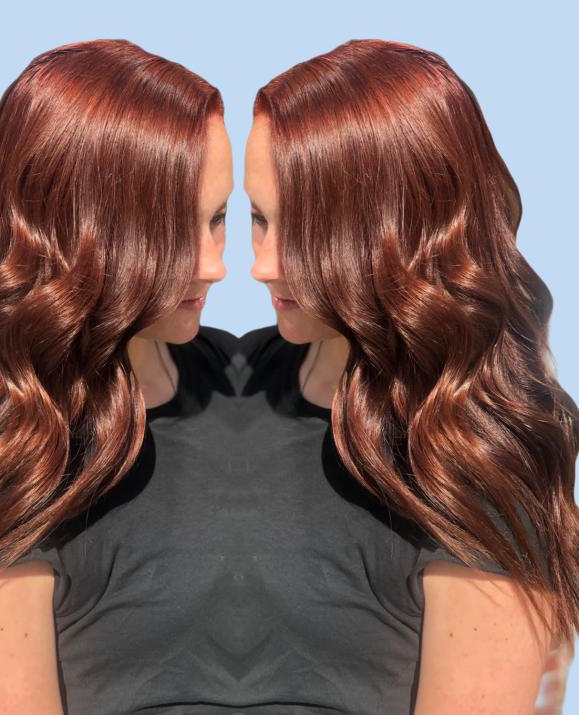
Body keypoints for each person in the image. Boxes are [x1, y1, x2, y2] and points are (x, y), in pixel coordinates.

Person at [0, 38, 238, 714]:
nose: (214, 265)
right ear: (75, 227)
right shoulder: (3, 470)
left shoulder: (242, 382)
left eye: (219, 218)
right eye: (172, 229)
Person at [240, 38, 578, 714]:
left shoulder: (473, 470)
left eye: (304, 229)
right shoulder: (234, 379)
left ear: (400, 228)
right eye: (257, 218)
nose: (262, 265)